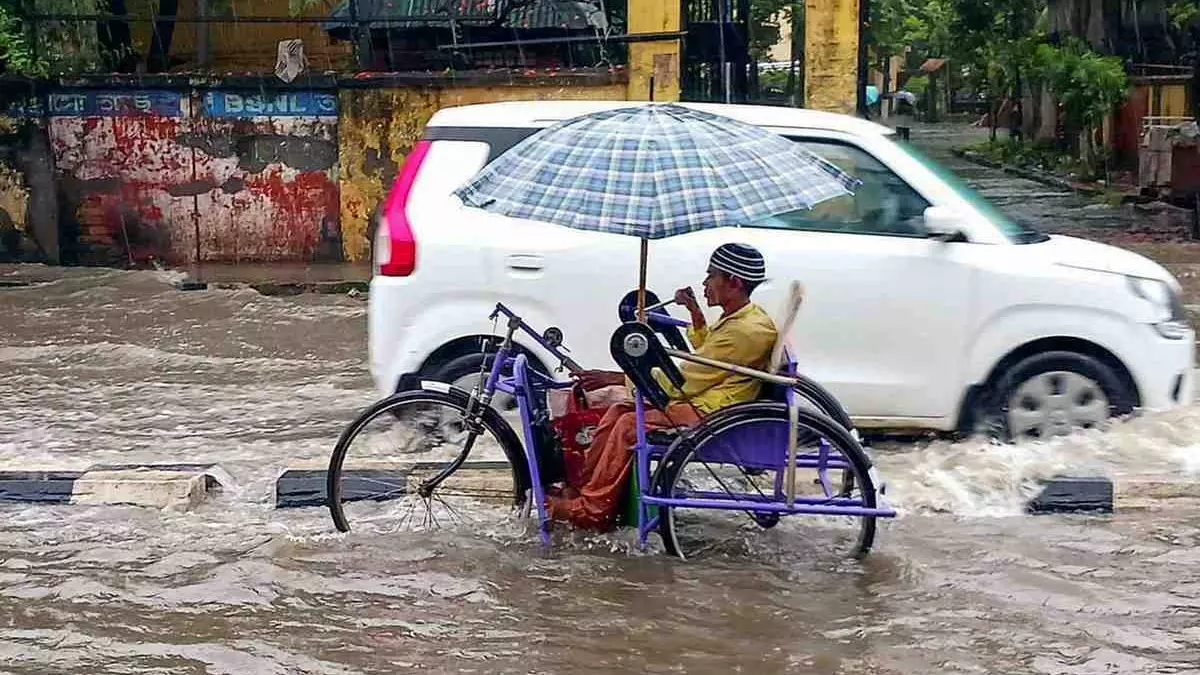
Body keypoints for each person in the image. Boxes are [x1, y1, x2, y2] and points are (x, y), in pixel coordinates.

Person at [546, 243, 779, 529]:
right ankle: (586, 488)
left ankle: (593, 508)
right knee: (618, 411)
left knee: (628, 425)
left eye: (711, 276)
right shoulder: (742, 317)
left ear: (734, 281)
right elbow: (708, 351)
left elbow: (682, 383)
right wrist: (694, 310)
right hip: (707, 396)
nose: (705, 283)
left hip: (713, 410)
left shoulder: (745, 330)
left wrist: (619, 377)